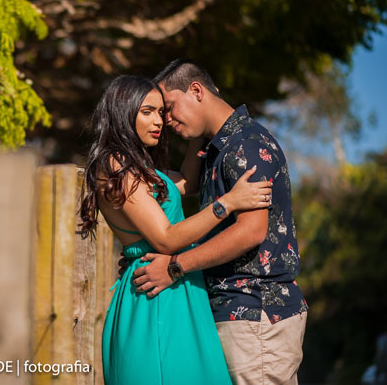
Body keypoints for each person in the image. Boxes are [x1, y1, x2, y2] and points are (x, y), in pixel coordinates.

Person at [78, 75, 272, 385]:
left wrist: (201, 130)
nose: (160, 121)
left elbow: (185, 182)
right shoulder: (115, 165)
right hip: (156, 293)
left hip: (175, 287)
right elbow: (165, 238)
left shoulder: (139, 168)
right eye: (147, 112)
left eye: (160, 112)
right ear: (123, 112)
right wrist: (228, 203)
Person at [131, 59, 309, 384]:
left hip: (255, 312)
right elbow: (186, 182)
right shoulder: (221, 147)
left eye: (168, 108)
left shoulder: (245, 146)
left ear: (196, 91)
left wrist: (175, 267)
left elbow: (251, 231)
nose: (165, 120)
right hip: (241, 314)